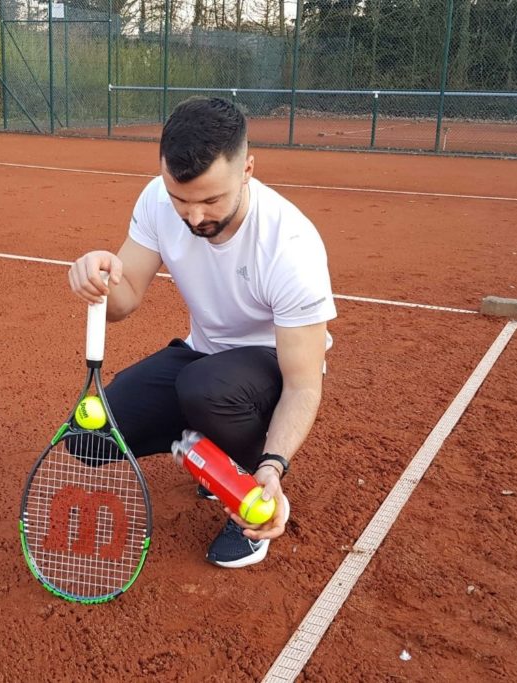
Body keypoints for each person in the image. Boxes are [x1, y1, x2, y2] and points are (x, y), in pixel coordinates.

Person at [68, 97, 336, 568]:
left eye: (211, 200)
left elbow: (303, 384)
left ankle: (243, 486)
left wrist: (272, 469)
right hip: (205, 357)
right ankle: (208, 450)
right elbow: (124, 298)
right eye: (181, 200)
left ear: (247, 169)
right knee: (88, 438)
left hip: (268, 368)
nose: (194, 218)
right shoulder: (155, 199)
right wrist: (98, 278)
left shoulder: (290, 246)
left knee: (206, 388)